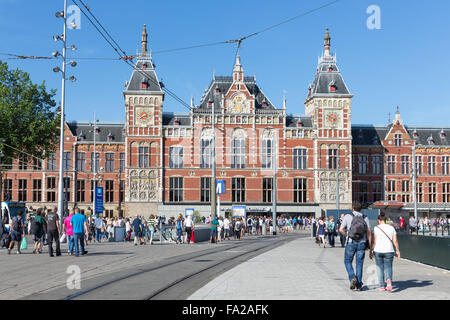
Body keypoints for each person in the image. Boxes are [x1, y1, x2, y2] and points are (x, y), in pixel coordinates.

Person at [339, 201, 371, 291]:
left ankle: (352, 277)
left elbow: (341, 229)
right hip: (362, 243)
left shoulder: (347, 216)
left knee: (347, 261)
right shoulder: (365, 217)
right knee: (359, 264)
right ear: (361, 208)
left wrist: (347, 235)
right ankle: (359, 285)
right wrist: (370, 246)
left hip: (351, 242)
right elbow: (369, 232)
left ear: (352, 207)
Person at [370, 213, 401, 292]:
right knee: (388, 267)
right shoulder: (391, 228)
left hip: (378, 250)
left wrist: (371, 251)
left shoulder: (376, 228)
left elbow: (373, 241)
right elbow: (395, 241)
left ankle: (382, 286)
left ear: (379, 220)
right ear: (386, 220)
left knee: (380, 268)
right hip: (389, 250)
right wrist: (397, 251)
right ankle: (389, 281)